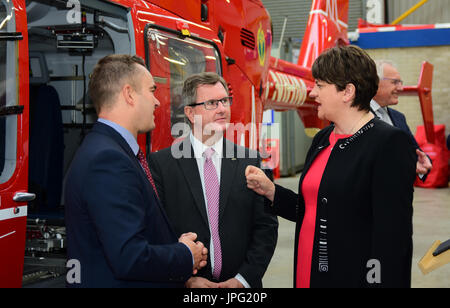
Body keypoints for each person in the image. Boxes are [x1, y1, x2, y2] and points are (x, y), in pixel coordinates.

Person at [246, 46, 417, 288]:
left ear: (347, 91)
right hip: (310, 273)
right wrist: (272, 191)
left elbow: (392, 241)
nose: (313, 93)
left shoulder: (388, 143)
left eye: (320, 85)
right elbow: (316, 208)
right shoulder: (322, 138)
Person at [64, 55, 207, 288]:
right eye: (151, 90)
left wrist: (176, 248)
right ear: (129, 94)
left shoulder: (108, 150)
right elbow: (129, 257)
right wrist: (185, 255)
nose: (157, 101)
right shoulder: (108, 160)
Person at [149, 72, 278, 288]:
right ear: (190, 112)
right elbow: (156, 231)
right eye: (211, 103)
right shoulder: (162, 165)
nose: (222, 109)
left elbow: (266, 227)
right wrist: (184, 279)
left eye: (224, 101)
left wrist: (243, 280)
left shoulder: (251, 160)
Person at [371, 60, 432, 180]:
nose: (401, 88)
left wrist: (423, 164)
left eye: (400, 83)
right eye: (395, 82)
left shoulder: (399, 118)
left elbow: (416, 152)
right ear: (375, 82)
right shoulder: (355, 115)